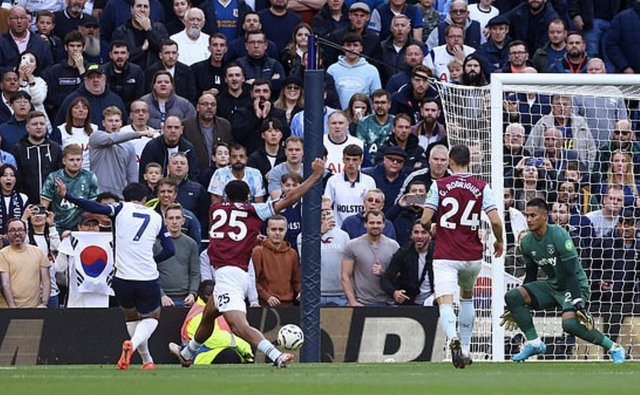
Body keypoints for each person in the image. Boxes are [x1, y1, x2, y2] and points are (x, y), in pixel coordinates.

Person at [169, 157, 325, 368]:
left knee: (238, 325)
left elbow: (230, 230)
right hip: (238, 272)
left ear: (225, 196)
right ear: (249, 197)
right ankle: (188, 353)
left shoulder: (215, 210)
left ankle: (276, 356)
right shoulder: (254, 211)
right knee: (209, 314)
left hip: (227, 273)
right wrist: (315, 175)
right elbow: (290, 198)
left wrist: (250, 237)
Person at [55, 180, 175, 370]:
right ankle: (133, 346)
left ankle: (147, 361)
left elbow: (94, 207)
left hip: (122, 278)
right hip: (146, 277)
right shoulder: (156, 216)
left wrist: (67, 196)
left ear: (125, 198)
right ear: (145, 199)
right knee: (152, 316)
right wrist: (153, 259)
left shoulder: (120, 208)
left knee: (132, 317)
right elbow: (170, 250)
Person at [501, 197, 626, 364]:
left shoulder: (559, 235)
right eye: (527, 215)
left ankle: (614, 347)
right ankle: (534, 343)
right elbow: (530, 276)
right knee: (512, 297)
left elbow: (571, 272)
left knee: (570, 325)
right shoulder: (527, 243)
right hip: (552, 285)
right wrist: (520, 305)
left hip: (573, 286)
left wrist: (578, 303)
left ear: (545, 216)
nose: (529, 219)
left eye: (533, 215)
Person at [419, 144, 504, 368]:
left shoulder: (439, 185)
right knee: (467, 297)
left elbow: (425, 220)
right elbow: (495, 220)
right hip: (472, 256)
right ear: (469, 162)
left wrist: (431, 229)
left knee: (445, 301)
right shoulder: (481, 186)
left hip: (446, 254)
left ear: (450, 162)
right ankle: (465, 349)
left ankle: (453, 339)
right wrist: (500, 240)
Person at [180, 280, 254, 364]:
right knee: (229, 355)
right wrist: (243, 347)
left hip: (217, 351)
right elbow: (213, 339)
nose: (212, 298)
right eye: (208, 295)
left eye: (214, 294)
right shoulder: (197, 314)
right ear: (200, 295)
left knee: (234, 355)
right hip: (200, 355)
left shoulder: (217, 308)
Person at [55, 212, 114, 307]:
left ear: (99, 227)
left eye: (94, 225)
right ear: (79, 227)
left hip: (100, 296)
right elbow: (59, 267)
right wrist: (65, 244)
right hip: (77, 298)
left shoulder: (108, 243)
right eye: (87, 225)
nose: (91, 228)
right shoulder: (71, 241)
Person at [341, 209, 399, 307]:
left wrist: (383, 273)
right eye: (372, 222)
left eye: (379, 223)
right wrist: (353, 302)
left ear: (384, 225)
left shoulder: (394, 246)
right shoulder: (352, 245)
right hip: (362, 302)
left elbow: (399, 275)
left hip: (386, 302)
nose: (375, 226)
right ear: (365, 224)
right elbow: (345, 276)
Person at [90, 106, 152, 196]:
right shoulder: (96, 137)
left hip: (119, 195)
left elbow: (132, 174)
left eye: (117, 121)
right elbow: (111, 139)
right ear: (103, 123)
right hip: (98, 193)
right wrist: (138, 133)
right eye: (110, 121)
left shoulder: (129, 145)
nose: (114, 124)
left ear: (121, 123)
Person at [41, 144, 99, 233]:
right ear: (64, 161)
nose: (75, 163)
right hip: (58, 228)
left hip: (83, 228)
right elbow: (44, 205)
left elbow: (93, 206)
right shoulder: (53, 177)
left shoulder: (90, 177)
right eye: (71, 160)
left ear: (82, 160)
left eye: (78, 160)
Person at [54, 63, 127, 127]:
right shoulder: (72, 100)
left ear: (105, 79)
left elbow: (124, 125)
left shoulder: (115, 100)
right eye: (91, 77)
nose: (95, 80)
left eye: (99, 77)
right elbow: (59, 125)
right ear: (85, 80)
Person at [14, 111, 63, 205]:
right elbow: (17, 177)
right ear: (27, 127)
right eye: (34, 124)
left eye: (42, 124)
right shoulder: (19, 149)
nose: (39, 127)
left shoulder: (55, 148)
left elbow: (60, 175)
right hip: (27, 203)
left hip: (52, 203)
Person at [156, 203, 199, 308]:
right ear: (165, 221)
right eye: (171, 218)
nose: (174, 222)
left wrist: (192, 293)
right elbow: (150, 272)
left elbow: (195, 273)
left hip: (185, 299)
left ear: (183, 221)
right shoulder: (155, 243)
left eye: (177, 218)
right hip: (161, 299)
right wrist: (161, 295)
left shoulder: (191, 243)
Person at [0, 217, 51, 308]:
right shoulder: (2, 254)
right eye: (12, 230)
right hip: (11, 307)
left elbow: (46, 280)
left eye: (20, 230)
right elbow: (5, 283)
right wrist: (12, 306)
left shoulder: (38, 252)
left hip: (36, 307)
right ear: (7, 234)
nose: (17, 233)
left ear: (25, 232)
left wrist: (44, 303)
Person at [382, 220, 435, 306]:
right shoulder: (403, 252)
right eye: (416, 232)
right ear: (411, 235)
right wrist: (394, 292)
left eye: (424, 232)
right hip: (409, 303)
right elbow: (386, 279)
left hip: (434, 301)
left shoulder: (438, 252)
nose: (419, 236)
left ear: (430, 235)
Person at [252, 215, 300, 307]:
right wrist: (267, 297)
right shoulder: (258, 252)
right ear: (267, 231)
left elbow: (296, 280)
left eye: (281, 230)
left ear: (286, 230)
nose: (277, 233)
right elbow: (253, 281)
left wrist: (301, 292)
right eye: (273, 229)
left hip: (288, 305)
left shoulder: (292, 253)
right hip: (264, 305)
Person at [327, 33, 381, 110]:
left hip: (364, 118)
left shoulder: (372, 70)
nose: (352, 49)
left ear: (361, 48)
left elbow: (376, 97)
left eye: (355, 45)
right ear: (343, 48)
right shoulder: (332, 69)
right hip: (338, 117)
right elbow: (328, 97)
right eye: (348, 45)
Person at [110, 0, 169, 70]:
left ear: (150, 10)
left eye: (146, 7)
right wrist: (141, 49)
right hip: (129, 74)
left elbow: (166, 51)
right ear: (131, 9)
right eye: (139, 6)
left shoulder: (159, 28)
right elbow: (119, 58)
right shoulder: (121, 32)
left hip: (154, 75)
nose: (142, 10)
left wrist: (149, 29)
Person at [182, 93, 233, 173]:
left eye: (213, 105)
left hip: (221, 173)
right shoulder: (187, 125)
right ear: (198, 107)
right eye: (205, 104)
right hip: (194, 173)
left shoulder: (224, 125)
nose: (209, 107)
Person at [138, 115, 199, 181]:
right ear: (163, 129)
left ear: (182, 130)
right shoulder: (151, 147)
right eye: (169, 127)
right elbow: (144, 175)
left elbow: (193, 175)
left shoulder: (188, 149)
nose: (173, 131)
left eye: (176, 128)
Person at [0, 6, 54, 74]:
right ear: (8, 21)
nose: (19, 21)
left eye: (22, 18)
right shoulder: (1, 41)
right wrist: (14, 70)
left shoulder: (40, 42)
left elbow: (48, 67)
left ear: (28, 20)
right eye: (15, 18)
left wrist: (36, 78)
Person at [145, 39, 198, 104]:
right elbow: (148, 94)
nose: (171, 56)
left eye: (174, 53)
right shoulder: (151, 71)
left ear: (178, 55)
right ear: (160, 55)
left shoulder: (186, 71)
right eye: (167, 53)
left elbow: (192, 96)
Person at [101, 40, 146, 110]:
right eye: (116, 53)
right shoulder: (102, 71)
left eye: (123, 53)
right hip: (106, 110)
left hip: (130, 111)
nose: (119, 56)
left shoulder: (137, 71)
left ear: (128, 55)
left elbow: (139, 97)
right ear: (110, 55)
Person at [355, 89, 394, 168]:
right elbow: (361, 148)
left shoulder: (396, 121)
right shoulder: (363, 122)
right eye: (376, 102)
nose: (379, 106)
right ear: (372, 104)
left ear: (389, 104)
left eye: (383, 102)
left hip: (392, 164)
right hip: (369, 165)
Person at [248, 118, 286, 188]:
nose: (273, 134)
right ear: (263, 135)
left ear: (281, 135)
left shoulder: (286, 155)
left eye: (277, 131)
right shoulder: (254, 158)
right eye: (269, 131)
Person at [0, 164, 29, 235]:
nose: (8, 178)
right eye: (5, 175)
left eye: (12, 175)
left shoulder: (23, 198)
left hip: (18, 238)